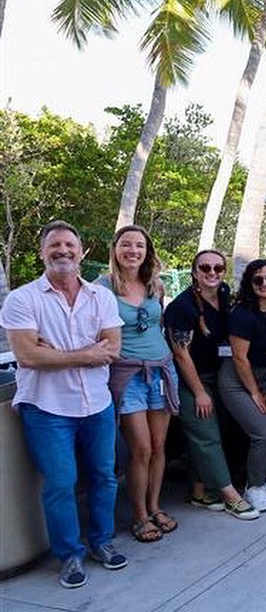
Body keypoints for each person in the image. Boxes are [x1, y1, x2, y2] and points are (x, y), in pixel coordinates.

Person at [1, 220, 127, 588]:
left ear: (82, 251)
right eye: (54, 245)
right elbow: (28, 357)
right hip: (47, 408)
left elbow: (113, 349)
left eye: (70, 245)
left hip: (97, 405)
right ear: (42, 252)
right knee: (60, 483)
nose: (63, 251)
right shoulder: (23, 299)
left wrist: (57, 353)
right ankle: (70, 555)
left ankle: (102, 543)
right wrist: (87, 353)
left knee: (104, 476)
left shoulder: (100, 296)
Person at [98, 225, 178, 543]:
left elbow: (158, 326)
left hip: (161, 372)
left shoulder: (154, 285)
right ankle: (139, 515)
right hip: (128, 375)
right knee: (141, 449)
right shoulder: (102, 289)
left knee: (159, 447)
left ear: (147, 251)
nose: (133, 251)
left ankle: (155, 506)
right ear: (115, 249)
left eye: (140, 246)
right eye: (126, 245)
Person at [166, 250, 260, 519]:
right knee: (207, 436)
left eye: (218, 268)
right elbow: (181, 354)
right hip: (191, 379)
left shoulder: (224, 294)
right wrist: (198, 393)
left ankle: (199, 492)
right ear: (194, 272)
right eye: (205, 268)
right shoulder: (181, 308)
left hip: (217, 375)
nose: (212, 273)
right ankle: (231, 495)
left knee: (207, 434)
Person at [220, 259, 266, 513]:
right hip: (237, 381)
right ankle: (254, 487)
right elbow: (240, 359)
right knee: (263, 434)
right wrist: (255, 393)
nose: (265, 284)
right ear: (250, 284)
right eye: (258, 280)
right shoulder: (242, 314)